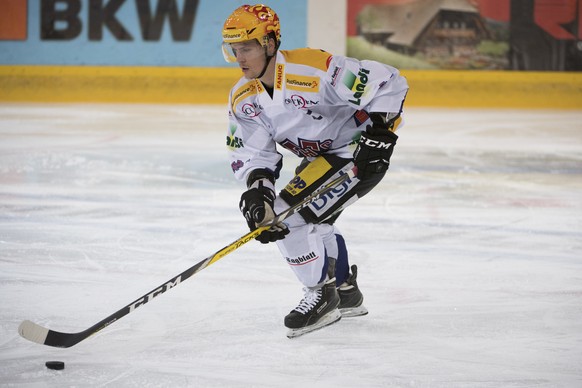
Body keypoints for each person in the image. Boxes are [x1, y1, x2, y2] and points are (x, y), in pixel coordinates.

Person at [222, 4, 408, 338]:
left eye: (246, 47)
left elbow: (388, 82)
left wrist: (380, 137)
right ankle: (345, 292)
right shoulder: (243, 98)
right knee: (304, 216)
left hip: (359, 152)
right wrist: (258, 190)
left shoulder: (311, 68)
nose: (240, 57)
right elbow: (253, 153)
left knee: (287, 216)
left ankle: (322, 293)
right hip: (324, 159)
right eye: (234, 50)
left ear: (269, 43)